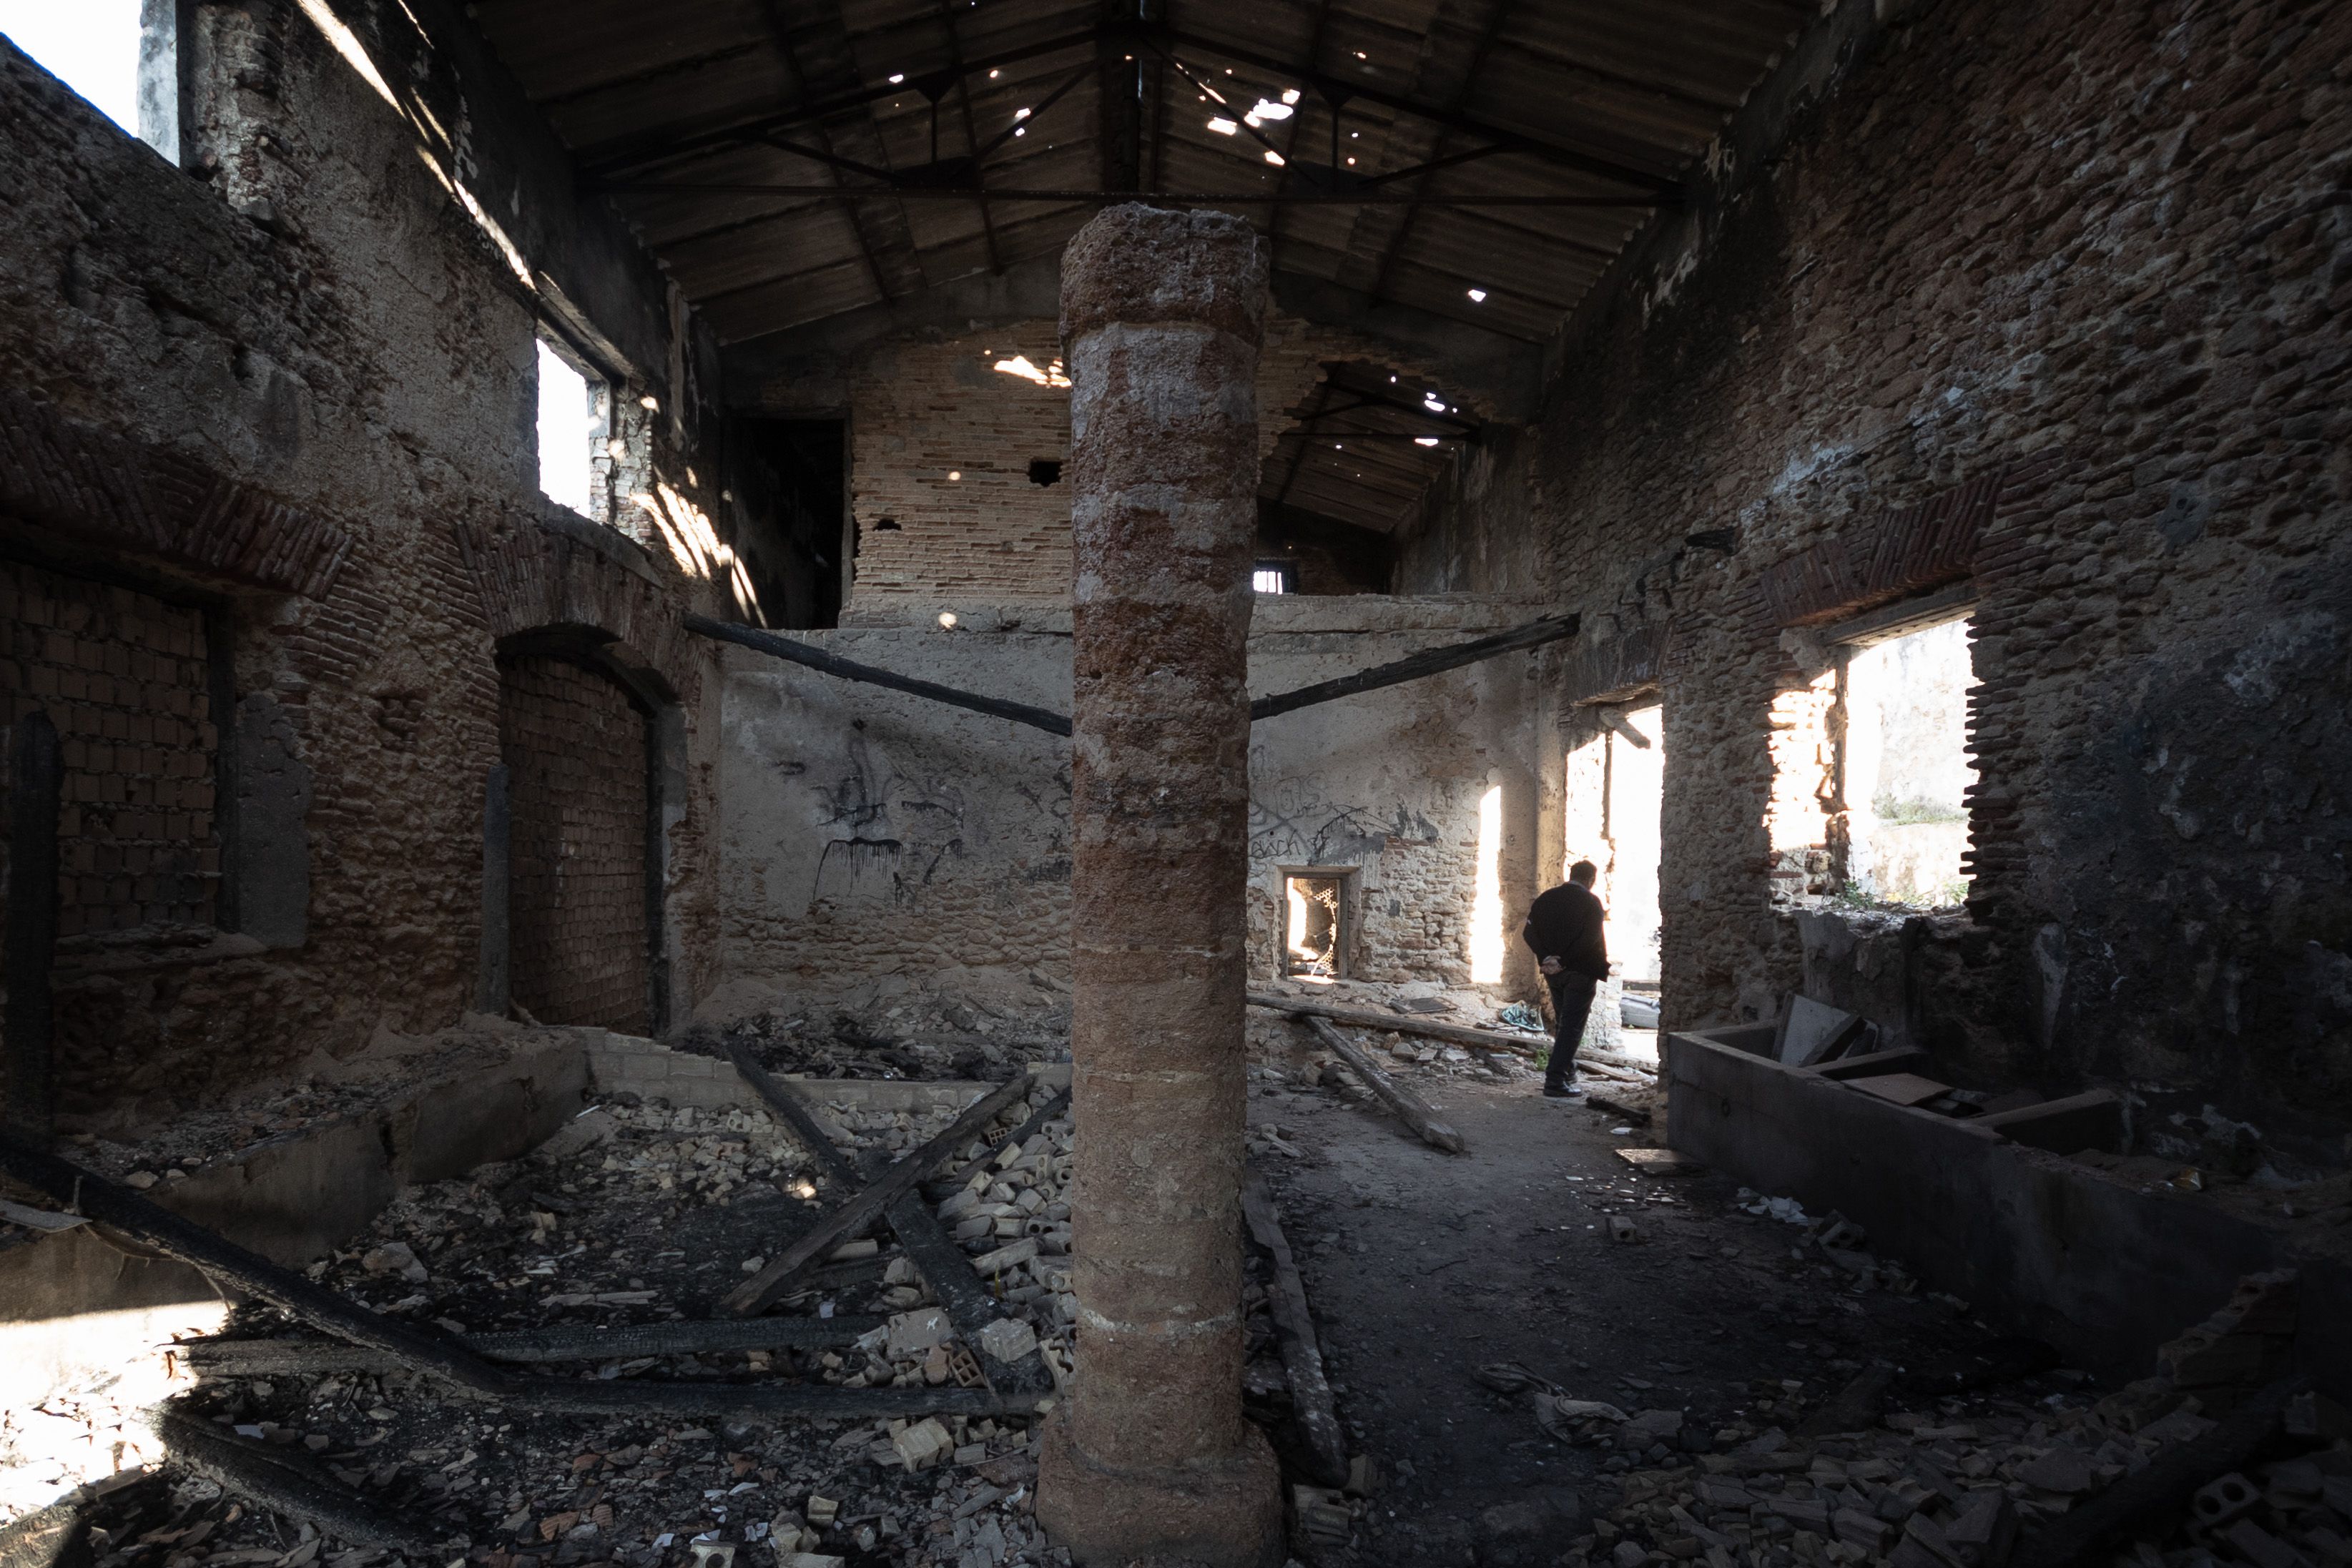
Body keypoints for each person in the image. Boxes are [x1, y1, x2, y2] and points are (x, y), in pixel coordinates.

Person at [1522, 862, 1608, 1098]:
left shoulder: (1546, 898)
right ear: (1591, 880)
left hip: (1553, 973)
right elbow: (1590, 940)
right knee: (1572, 1027)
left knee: (1564, 1023)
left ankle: (1568, 1070)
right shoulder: (1592, 902)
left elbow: (1528, 933)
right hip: (1579, 972)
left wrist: (1547, 957)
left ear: (1571, 875)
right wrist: (1565, 961)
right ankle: (1555, 1080)